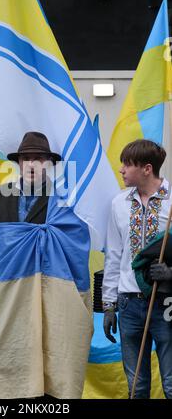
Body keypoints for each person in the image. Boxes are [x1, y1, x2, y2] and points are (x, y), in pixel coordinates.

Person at [0, 131, 93, 399]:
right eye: (26, 159)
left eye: (39, 159)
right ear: (19, 163)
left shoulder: (66, 200)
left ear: (50, 164)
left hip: (52, 295)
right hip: (13, 295)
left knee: (53, 362)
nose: (32, 164)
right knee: (15, 359)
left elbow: (76, 244)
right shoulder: (2, 197)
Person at [102, 139, 172, 399]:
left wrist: (171, 273)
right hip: (129, 303)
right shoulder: (118, 203)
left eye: (127, 164)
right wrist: (109, 304)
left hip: (165, 300)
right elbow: (113, 255)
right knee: (136, 386)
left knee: (171, 382)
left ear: (147, 169)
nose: (121, 170)